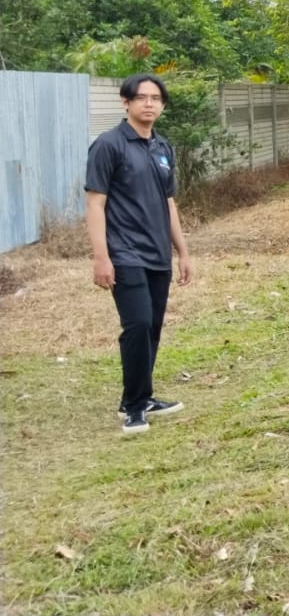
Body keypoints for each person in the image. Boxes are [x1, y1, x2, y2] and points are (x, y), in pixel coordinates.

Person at [86, 74, 194, 435]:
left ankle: (143, 395)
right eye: (142, 98)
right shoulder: (108, 145)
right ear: (126, 102)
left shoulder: (162, 147)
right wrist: (101, 257)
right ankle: (132, 407)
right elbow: (95, 204)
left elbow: (169, 203)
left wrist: (183, 251)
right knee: (137, 325)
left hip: (157, 253)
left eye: (156, 98)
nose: (149, 104)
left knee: (153, 327)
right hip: (124, 252)